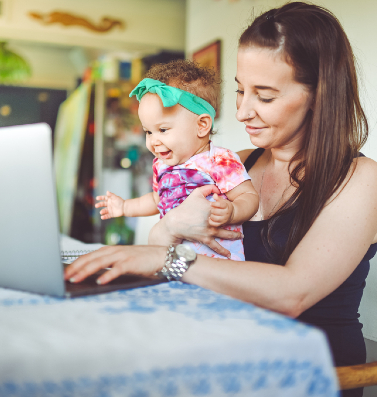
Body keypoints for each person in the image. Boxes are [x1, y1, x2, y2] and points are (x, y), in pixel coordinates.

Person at [67, 3, 377, 397]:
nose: (241, 112)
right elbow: (161, 246)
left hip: (309, 374)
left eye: (264, 97)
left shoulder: (361, 179)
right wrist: (168, 228)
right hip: (228, 357)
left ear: (319, 94)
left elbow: (292, 294)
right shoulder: (231, 165)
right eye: (239, 90)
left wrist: (169, 259)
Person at [96, 61, 259, 261]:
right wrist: (125, 207)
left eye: (163, 130)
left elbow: (248, 196)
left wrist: (233, 211)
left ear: (202, 125)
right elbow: (156, 200)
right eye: (148, 131)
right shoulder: (162, 166)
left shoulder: (219, 160)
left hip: (219, 264)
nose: (153, 141)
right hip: (175, 261)